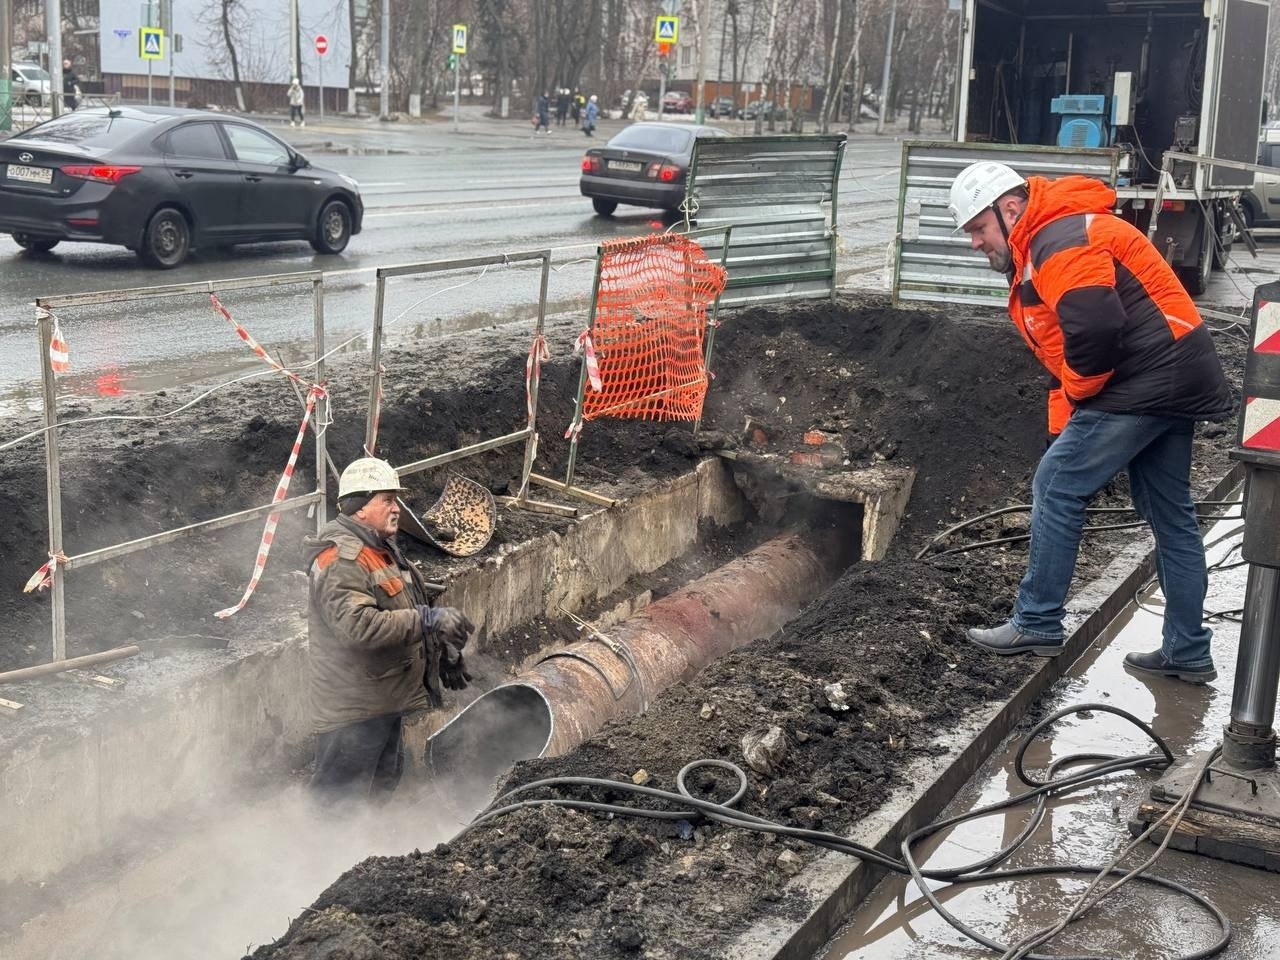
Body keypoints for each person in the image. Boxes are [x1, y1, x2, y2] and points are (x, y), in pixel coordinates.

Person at [952, 161, 1232, 683]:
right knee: (1169, 512)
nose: (975, 243)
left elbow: (1097, 327)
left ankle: (1036, 621)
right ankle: (1187, 650)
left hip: (1146, 377)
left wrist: (1080, 394)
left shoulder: (1059, 239)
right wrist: (1070, 405)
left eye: (978, 229)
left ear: (1010, 209)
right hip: (1170, 371)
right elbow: (1068, 342)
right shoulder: (1054, 236)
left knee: (1056, 485)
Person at [305, 457, 474, 804]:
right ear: (360, 507)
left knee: (379, 790)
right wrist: (429, 620)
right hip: (354, 711)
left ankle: (366, 854)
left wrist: (441, 654)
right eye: (387, 499)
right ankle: (324, 856)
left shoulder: (381, 551)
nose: (397, 508)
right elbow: (359, 627)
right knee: (337, 804)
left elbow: (405, 609)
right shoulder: (341, 560)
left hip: (382, 700)